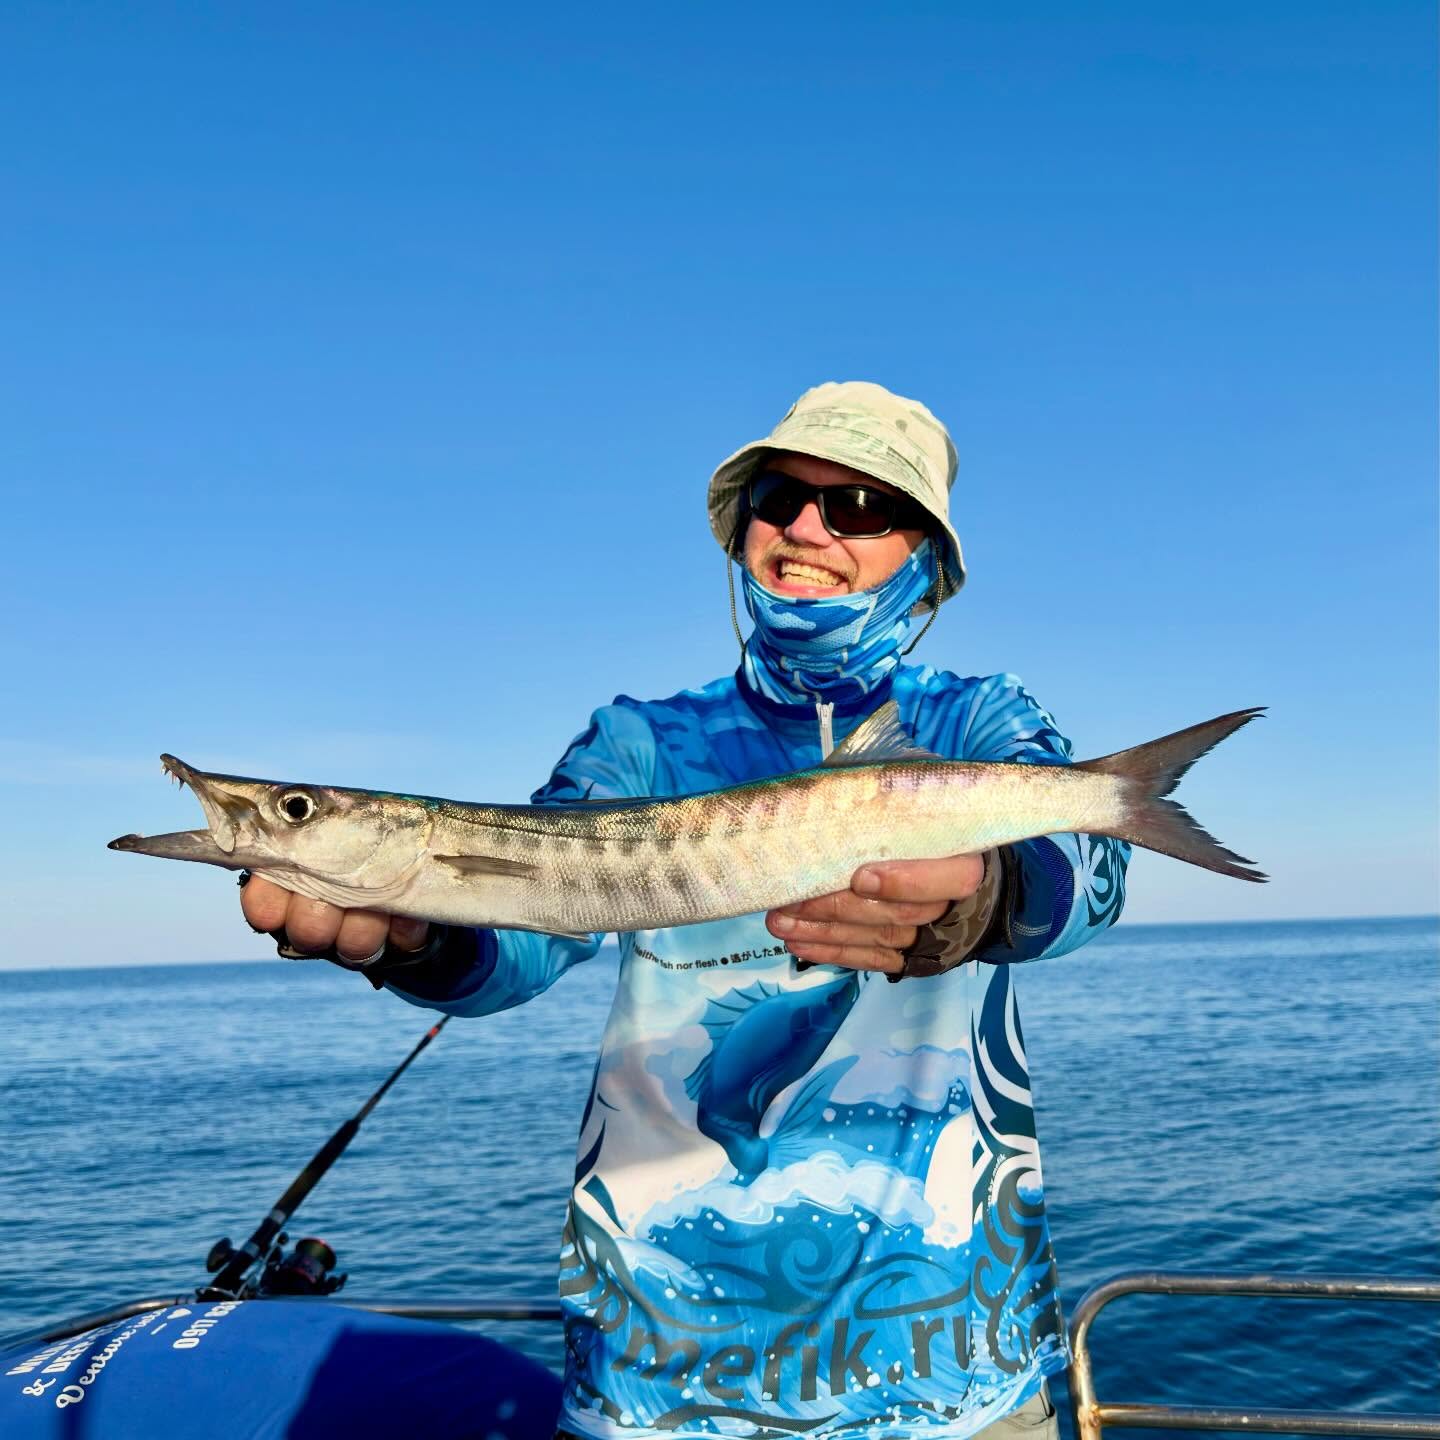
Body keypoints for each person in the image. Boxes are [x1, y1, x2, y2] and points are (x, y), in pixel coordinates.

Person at [240, 381, 1130, 1440]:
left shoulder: (975, 717)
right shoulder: (640, 741)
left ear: (924, 558)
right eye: (779, 497)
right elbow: (529, 935)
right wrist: (420, 939)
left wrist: (992, 899)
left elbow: (1093, 869)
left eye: (859, 509)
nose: (808, 528)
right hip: (658, 1372)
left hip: (956, 1374)